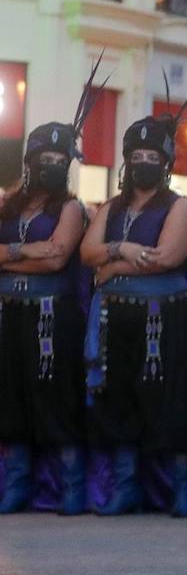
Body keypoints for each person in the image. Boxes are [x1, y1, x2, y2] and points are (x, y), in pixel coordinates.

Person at [80, 105, 187, 516]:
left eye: (151, 157)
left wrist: (111, 267)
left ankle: (182, 490)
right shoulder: (111, 208)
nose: (143, 163)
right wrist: (124, 249)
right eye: (136, 157)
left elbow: (168, 257)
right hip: (114, 318)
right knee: (118, 400)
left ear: (166, 162)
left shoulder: (180, 206)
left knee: (170, 402)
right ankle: (126, 489)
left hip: (163, 319)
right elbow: (88, 251)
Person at [0, 116, 92, 514]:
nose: (51, 164)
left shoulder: (71, 207)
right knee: (11, 397)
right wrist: (29, 251)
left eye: (60, 158)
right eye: (45, 157)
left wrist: (7, 259)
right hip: (9, 313)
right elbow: (44, 251)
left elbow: (57, 258)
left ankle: (71, 486)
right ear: (30, 160)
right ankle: (17, 485)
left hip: (51, 316)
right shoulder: (9, 207)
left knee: (55, 397)